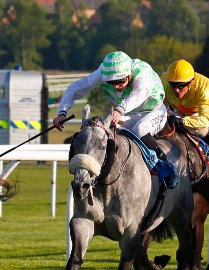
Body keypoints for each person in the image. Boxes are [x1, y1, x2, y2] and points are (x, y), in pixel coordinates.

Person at [51, 51, 177, 188]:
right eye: (112, 83)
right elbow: (75, 88)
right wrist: (62, 113)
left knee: (139, 129)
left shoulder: (142, 72)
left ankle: (166, 167)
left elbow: (138, 94)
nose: (116, 86)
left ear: (129, 73)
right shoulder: (104, 71)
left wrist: (120, 109)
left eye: (121, 81)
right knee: (105, 132)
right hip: (130, 113)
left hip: (154, 111)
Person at [162, 59, 209, 161]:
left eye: (181, 86)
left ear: (191, 83)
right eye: (173, 85)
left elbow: (204, 119)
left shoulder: (205, 87)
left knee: (194, 128)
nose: (176, 90)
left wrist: (182, 121)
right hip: (181, 111)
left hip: (205, 113)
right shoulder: (164, 83)